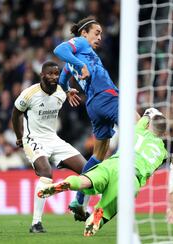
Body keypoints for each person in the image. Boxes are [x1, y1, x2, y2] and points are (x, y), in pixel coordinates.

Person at [38, 108, 168, 236]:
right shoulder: (162, 153)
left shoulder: (138, 129)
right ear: (163, 132)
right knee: (107, 208)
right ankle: (97, 219)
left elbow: (146, 115)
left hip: (114, 164)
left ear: (148, 125)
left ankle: (68, 183)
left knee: (85, 181)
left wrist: (149, 115)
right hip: (132, 177)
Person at [53, 16, 120, 220]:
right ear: (84, 33)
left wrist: (67, 91)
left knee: (99, 155)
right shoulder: (80, 43)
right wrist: (80, 65)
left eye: (101, 34)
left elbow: (63, 79)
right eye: (96, 32)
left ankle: (79, 199)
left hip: (93, 105)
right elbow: (59, 50)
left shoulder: (71, 64)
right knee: (141, 125)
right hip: (106, 95)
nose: (99, 37)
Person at [11, 61, 87, 233]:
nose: (54, 77)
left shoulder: (61, 92)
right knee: (46, 174)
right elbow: (16, 114)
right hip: (33, 139)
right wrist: (19, 136)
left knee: (88, 170)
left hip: (53, 139)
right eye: (50, 74)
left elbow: (65, 91)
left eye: (56, 74)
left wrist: (68, 92)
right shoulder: (29, 94)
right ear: (42, 75)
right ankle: (36, 223)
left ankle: (80, 208)